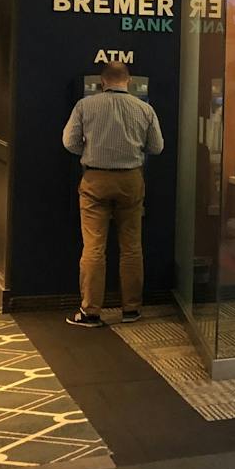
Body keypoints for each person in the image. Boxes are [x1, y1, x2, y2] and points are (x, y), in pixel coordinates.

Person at [61, 61, 163, 328]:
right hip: (131, 180)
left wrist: (90, 148)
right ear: (128, 81)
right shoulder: (144, 108)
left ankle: (91, 312)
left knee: (94, 247)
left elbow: (69, 143)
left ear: (102, 82)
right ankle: (131, 309)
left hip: (95, 179)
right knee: (131, 247)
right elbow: (157, 146)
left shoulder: (85, 106)